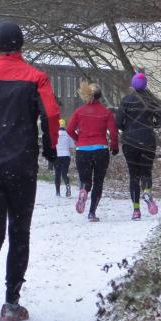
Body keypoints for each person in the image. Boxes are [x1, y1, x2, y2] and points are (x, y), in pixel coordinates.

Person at [0, 21, 60, 321]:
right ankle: (11, 304)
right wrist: (51, 148)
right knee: (19, 232)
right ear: (21, 45)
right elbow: (51, 113)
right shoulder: (36, 77)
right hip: (22, 165)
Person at [117, 72, 161, 220]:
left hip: (130, 142)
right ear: (145, 85)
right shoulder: (151, 100)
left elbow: (118, 122)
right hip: (147, 140)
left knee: (133, 176)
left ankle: (136, 211)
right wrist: (150, 124)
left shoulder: (126, 100)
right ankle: (147, 192)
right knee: (146, 172)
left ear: (133, 85)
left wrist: (127, 128)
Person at [67, 81, 118, 222]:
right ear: (100, 96)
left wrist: (78, 139)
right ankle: (92, 213)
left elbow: (69, 129)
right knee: (98, 182)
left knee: (85, 180)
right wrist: (114, 146)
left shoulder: (79, 111)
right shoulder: (106, 112)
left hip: (82, 150)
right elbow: (113, 132)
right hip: (101, 150)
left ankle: (84, 189)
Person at [55, 118, 75, 197]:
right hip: (66, 155)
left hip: (57, 156)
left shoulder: (55, 134)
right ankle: (67, 185)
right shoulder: (68, 134)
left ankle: (58, 192)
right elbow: (72, 145)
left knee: (57, 174)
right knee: (64, 173)